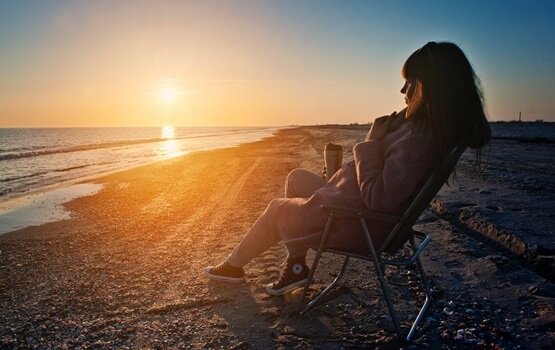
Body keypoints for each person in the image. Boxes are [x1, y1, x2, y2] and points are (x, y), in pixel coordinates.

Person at [204, 41, 491, 296]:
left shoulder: (420, 139)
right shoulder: (423, 131)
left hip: (356, 222)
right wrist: (344, 174)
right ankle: (296, 268)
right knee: (297, 179)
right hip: (350, 207)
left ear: (431, 87)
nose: (403, 91)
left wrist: (370, 141)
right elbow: (383, 180)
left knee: (277, 209)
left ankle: (232, 268)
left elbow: (379, 199)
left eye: (410, 82)